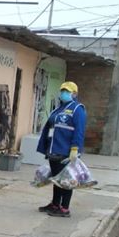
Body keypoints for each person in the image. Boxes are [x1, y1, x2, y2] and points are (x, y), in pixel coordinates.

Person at [37, 81, 86, 218]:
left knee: (66, 180)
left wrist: (75, 149)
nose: (64, 93)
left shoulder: (77, 109)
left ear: (74, 94)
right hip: (54, 149)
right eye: (62, 90)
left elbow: (79, 131)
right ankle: (55, 204)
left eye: (67, 91)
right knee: (57, 179)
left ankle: (64, 209)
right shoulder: (58, 109)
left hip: (66, 150)